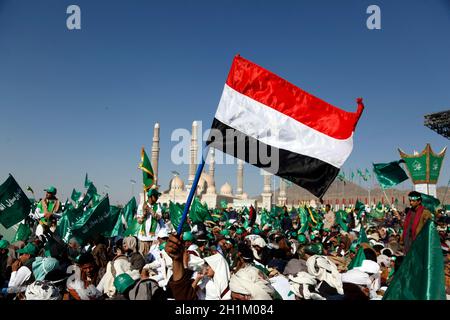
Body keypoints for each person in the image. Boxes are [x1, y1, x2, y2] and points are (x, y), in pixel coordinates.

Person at [136, 188, 163, 256]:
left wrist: (149, 209)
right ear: (150, 197)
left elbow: (158, 217)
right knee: (144, 257)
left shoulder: (158, 206)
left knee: (155, 258)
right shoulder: (141, 206)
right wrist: (144, 214)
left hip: (155, 237)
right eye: (155, 196)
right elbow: (139, 221)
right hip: (144, 238)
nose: (157, 198)